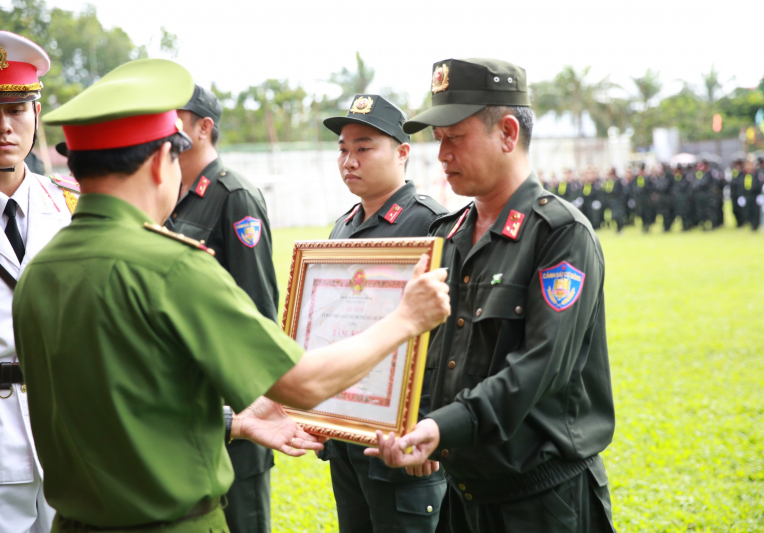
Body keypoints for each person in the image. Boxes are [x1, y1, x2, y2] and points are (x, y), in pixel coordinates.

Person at [14, 58, 451, 533]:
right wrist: (405, 318)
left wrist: (237, 422)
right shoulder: (172, 266)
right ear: (163, 160)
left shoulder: (39, 271)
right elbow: (301, 384)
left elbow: (125, 406)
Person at [367, 58, 616, 533]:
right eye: (437, 141)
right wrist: (417, 422)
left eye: (454, 138)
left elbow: (541, 365)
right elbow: (428, 352)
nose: (441, 155)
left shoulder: (558, 233)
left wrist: (442, 427)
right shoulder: (449, 235)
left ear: (506, 132)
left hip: (542, 501)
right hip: (463, 495)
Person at [318, 94, 449, 533]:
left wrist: (431, 426)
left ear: (403, 152)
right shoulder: (343, 227)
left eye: (364, 147)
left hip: (405, 439)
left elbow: (451, 341)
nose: (349, 160)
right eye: (342, 148)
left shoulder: (432, 226)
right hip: (347, 435)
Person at [166, 84, 278, 533]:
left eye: (172, 120)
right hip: (186, 406)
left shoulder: (235, 197)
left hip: (238, 410)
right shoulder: (168, 192)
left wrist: (250, 407)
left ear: (203, 128)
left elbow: (258, 310)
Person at [0, 30, 80, 533]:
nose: (4, 126)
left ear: (36, 115)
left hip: (64, 432)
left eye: (16, 109)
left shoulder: (74, 206)